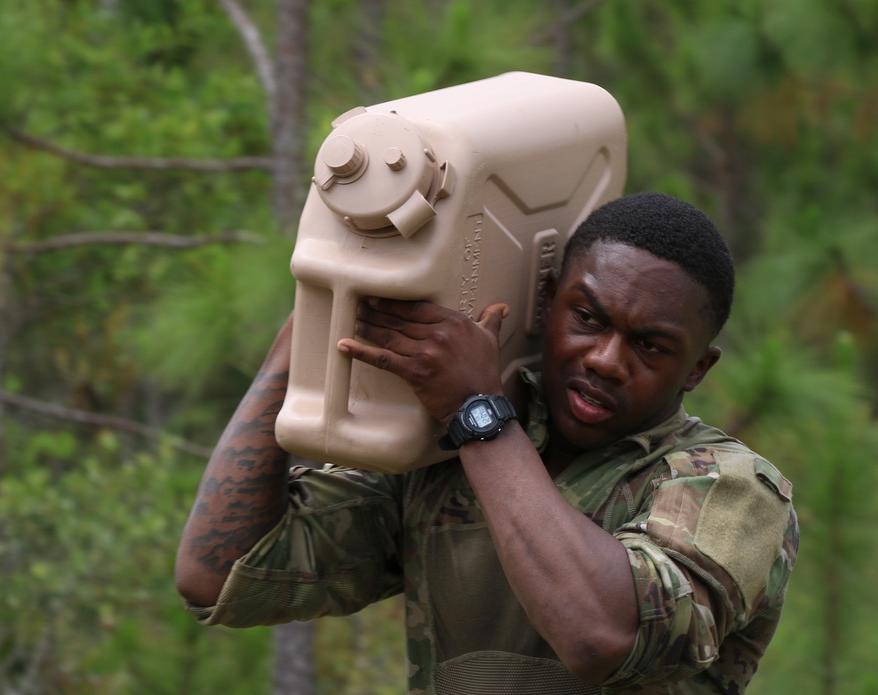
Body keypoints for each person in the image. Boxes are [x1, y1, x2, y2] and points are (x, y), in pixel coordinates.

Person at [174, 192, 798, 694]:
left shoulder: (729, 487)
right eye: (588, 318)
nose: (606, 360)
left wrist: (476, 413)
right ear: (547, 299)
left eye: (650, 345)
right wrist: (313, 321)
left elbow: (603, 636)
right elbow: (217, 572)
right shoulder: (444, 454)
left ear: (697, 369)